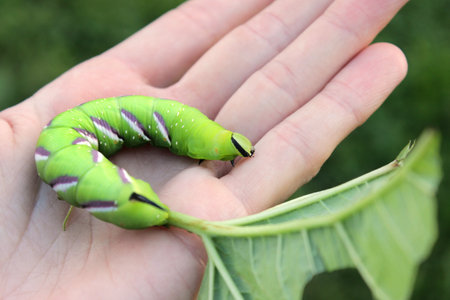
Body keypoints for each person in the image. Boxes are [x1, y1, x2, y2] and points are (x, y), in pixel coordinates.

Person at [0, 0, 408, 298]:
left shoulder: (68, 136)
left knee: (148, 130)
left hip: (88, 168)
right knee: (153, 133)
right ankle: (152, 182)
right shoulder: (75, 149)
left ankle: (155, 179)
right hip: (104, 182)